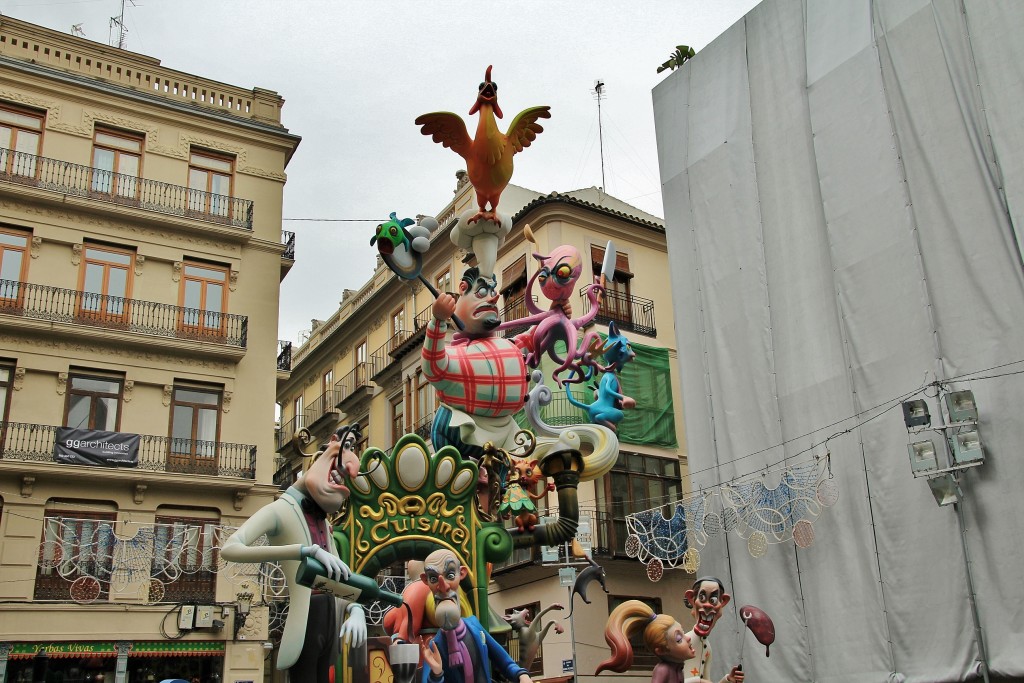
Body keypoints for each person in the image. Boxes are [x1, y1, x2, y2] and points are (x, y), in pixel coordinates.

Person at [220, 426, 367, 683]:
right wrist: (303, 552)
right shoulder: (280, 510)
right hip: (305, 620)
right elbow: (231, 548)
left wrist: (355, 609)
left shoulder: (323, 521)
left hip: (330, 622)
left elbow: (340, 578)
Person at [418, 547, 532, 683]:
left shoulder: (474, 626)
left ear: (462, 573)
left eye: (450, 576)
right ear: (425, 580)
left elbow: (504, 661)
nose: (443, 586)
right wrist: (436, 674)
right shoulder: (435, 645)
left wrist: (521, 675)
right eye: (433, 578)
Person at [595, 599, 708, 683]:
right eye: (679, 639)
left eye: (683, 633)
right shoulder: (663, 670)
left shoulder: (678, 668)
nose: (687, 638)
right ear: (661, 650)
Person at [682, 576, 744, 683]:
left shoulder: (707, 648)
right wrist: (698, 681)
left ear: (723, 602)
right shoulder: (683, 643)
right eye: (702, 598)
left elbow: (708, 681)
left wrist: (728, 680)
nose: (707, 605)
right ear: (692, 599)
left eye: (713, 600)